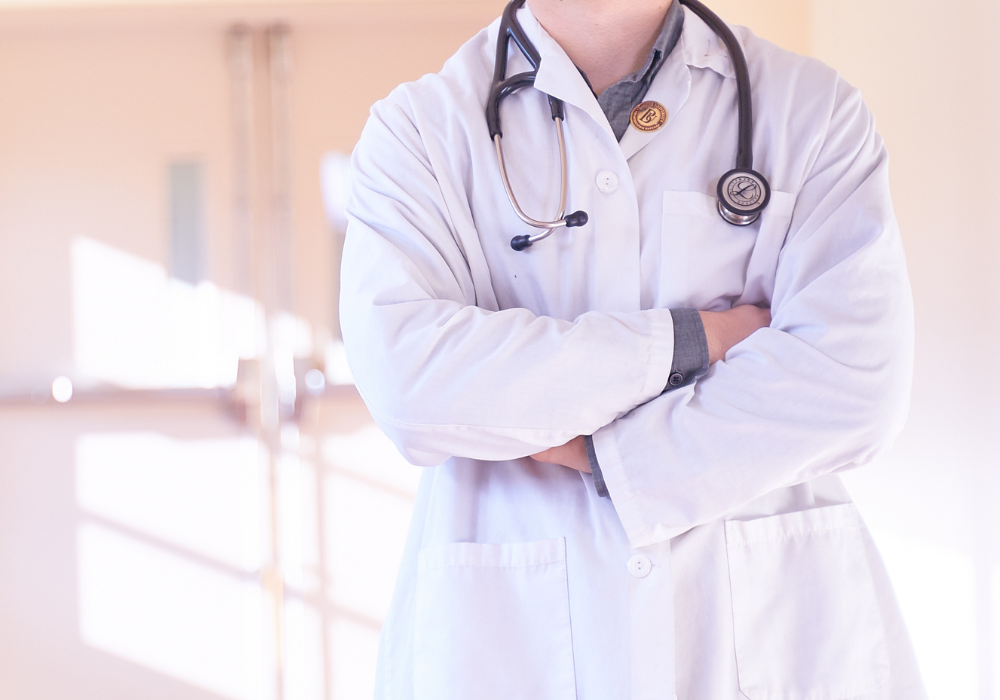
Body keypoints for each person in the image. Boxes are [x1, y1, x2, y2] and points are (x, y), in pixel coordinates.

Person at [339, 0, 927, 697]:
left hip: (773, 628)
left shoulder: (811, 112)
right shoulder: (419, 134)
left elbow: (853, 381)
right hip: (508, 639)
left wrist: (606, 458)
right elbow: (414, 381)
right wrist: (694, 339)